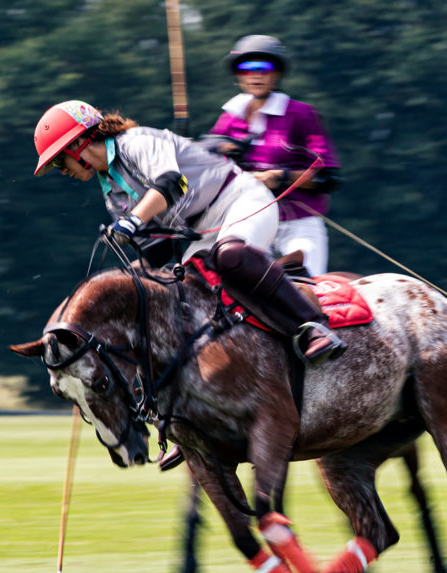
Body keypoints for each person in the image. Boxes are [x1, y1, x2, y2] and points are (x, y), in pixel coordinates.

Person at [32, 99, 347, 364]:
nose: (64, 172)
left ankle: (313, 327)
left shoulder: (137, 141)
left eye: (61, 163)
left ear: (78, 143)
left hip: (241, 198)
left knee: (231, 256)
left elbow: (172, 184)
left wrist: (132, 221)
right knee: (187, 296)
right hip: (203, 232)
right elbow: (157, 252)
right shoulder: (111, 189)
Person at [202, 34, 339, 276]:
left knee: (305, 289)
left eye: (264, 67)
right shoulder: (230, 118)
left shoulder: (301, 114)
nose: (255, 74)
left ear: (277, 73)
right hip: (251, 220)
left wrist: (279, 176)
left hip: (299, 223)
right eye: (246, 68)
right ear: (238, 76)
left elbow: (327, 177)